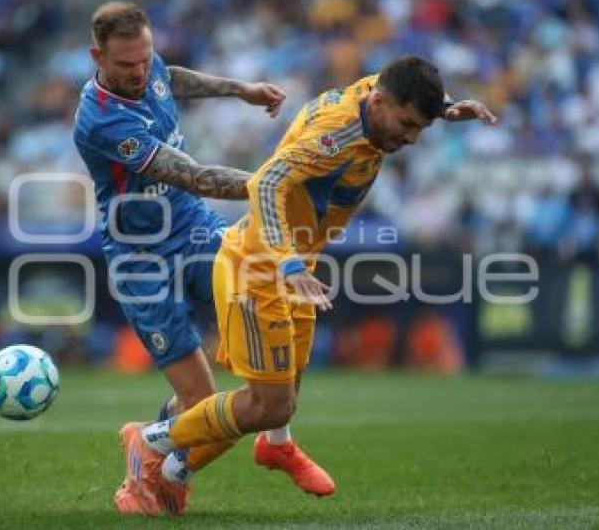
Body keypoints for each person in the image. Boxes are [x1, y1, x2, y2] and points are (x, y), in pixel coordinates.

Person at [134, 56, 498, 506]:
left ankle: (221, 458)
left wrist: (450, 109)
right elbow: (265, 184)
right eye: (407, 124)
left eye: (420, 128)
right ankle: (151, 442)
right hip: (260, 266)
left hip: (295, 265)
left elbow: (410, 85)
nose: (410, 137)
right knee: (268, 403)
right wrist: (286, 263)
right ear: (380, 102)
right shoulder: (336, 134)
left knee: (287, 390)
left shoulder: (379, 95)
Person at [72, 2, 333, 515]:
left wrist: (240, 88)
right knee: (199, 400)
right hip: (140, 257)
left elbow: (174, 79)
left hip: (192, 228)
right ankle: (150, 453)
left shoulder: (148, 66)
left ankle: (272, 437)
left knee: (272, 277)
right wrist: (269, 186)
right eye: (126, 65)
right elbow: (189, 174)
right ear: (96, 56)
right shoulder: (101, 120)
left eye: (145, 59)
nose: (140, 72)